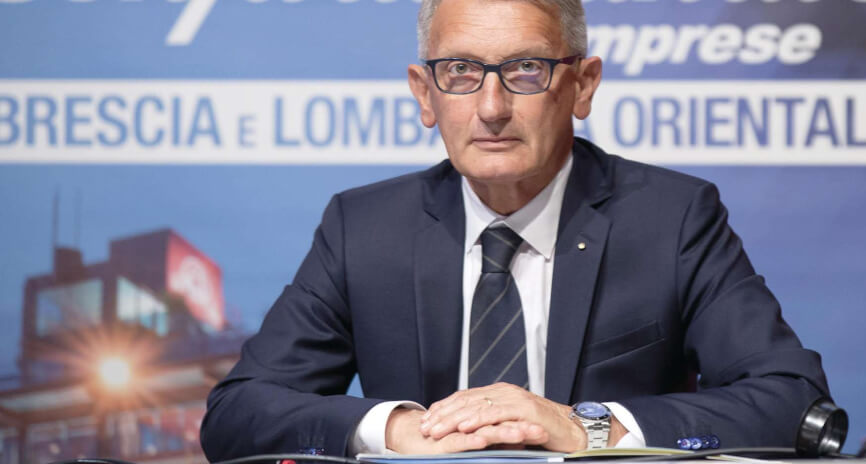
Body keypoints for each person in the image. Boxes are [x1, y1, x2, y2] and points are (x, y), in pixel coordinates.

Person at [200, 0, 830, 460]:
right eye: (460, 71)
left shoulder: (672, 217)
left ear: (583, 85)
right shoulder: (363, 228)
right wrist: (397, 430)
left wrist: (585, 427)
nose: (492, 107)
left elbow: (790, 399)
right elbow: (238, 412)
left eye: (527, 69)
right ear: (424, 94)